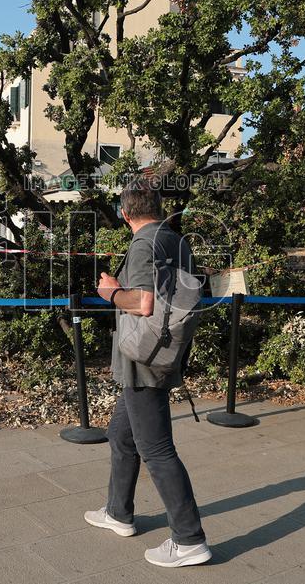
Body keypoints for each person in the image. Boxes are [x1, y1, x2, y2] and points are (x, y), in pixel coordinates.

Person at [84, 177, 211, 567]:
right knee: (122, 436)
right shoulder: (176, 239)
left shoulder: (143, 244)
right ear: (156, 206)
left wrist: (110, 292)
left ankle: (189, 539)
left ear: (125, 213)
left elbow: (141, 302)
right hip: (163, 350)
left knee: (156, 448)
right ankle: (118, 511)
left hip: (142, 357)